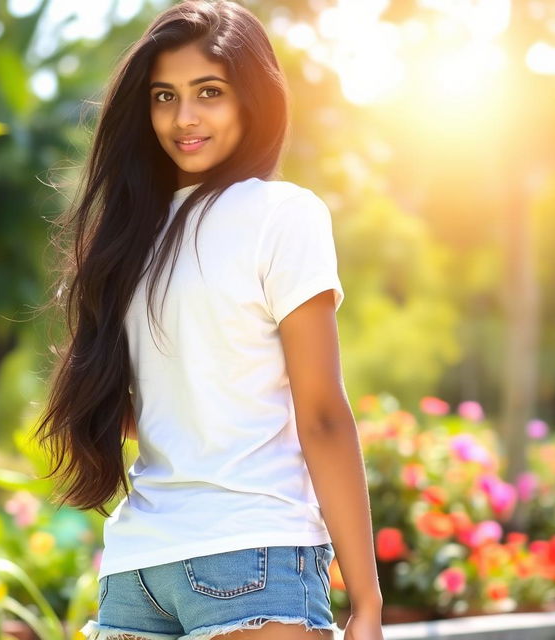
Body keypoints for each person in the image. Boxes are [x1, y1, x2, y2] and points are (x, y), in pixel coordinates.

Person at [34, 1, 384, 639]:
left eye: (209, 93)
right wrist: (368, 602)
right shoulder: (284, 213)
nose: (183, 117)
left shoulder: (126, 233)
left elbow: (134, 412)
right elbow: (323, 415)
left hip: (137, 572)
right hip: (253, 551)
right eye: (165, 95)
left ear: (254, 99)